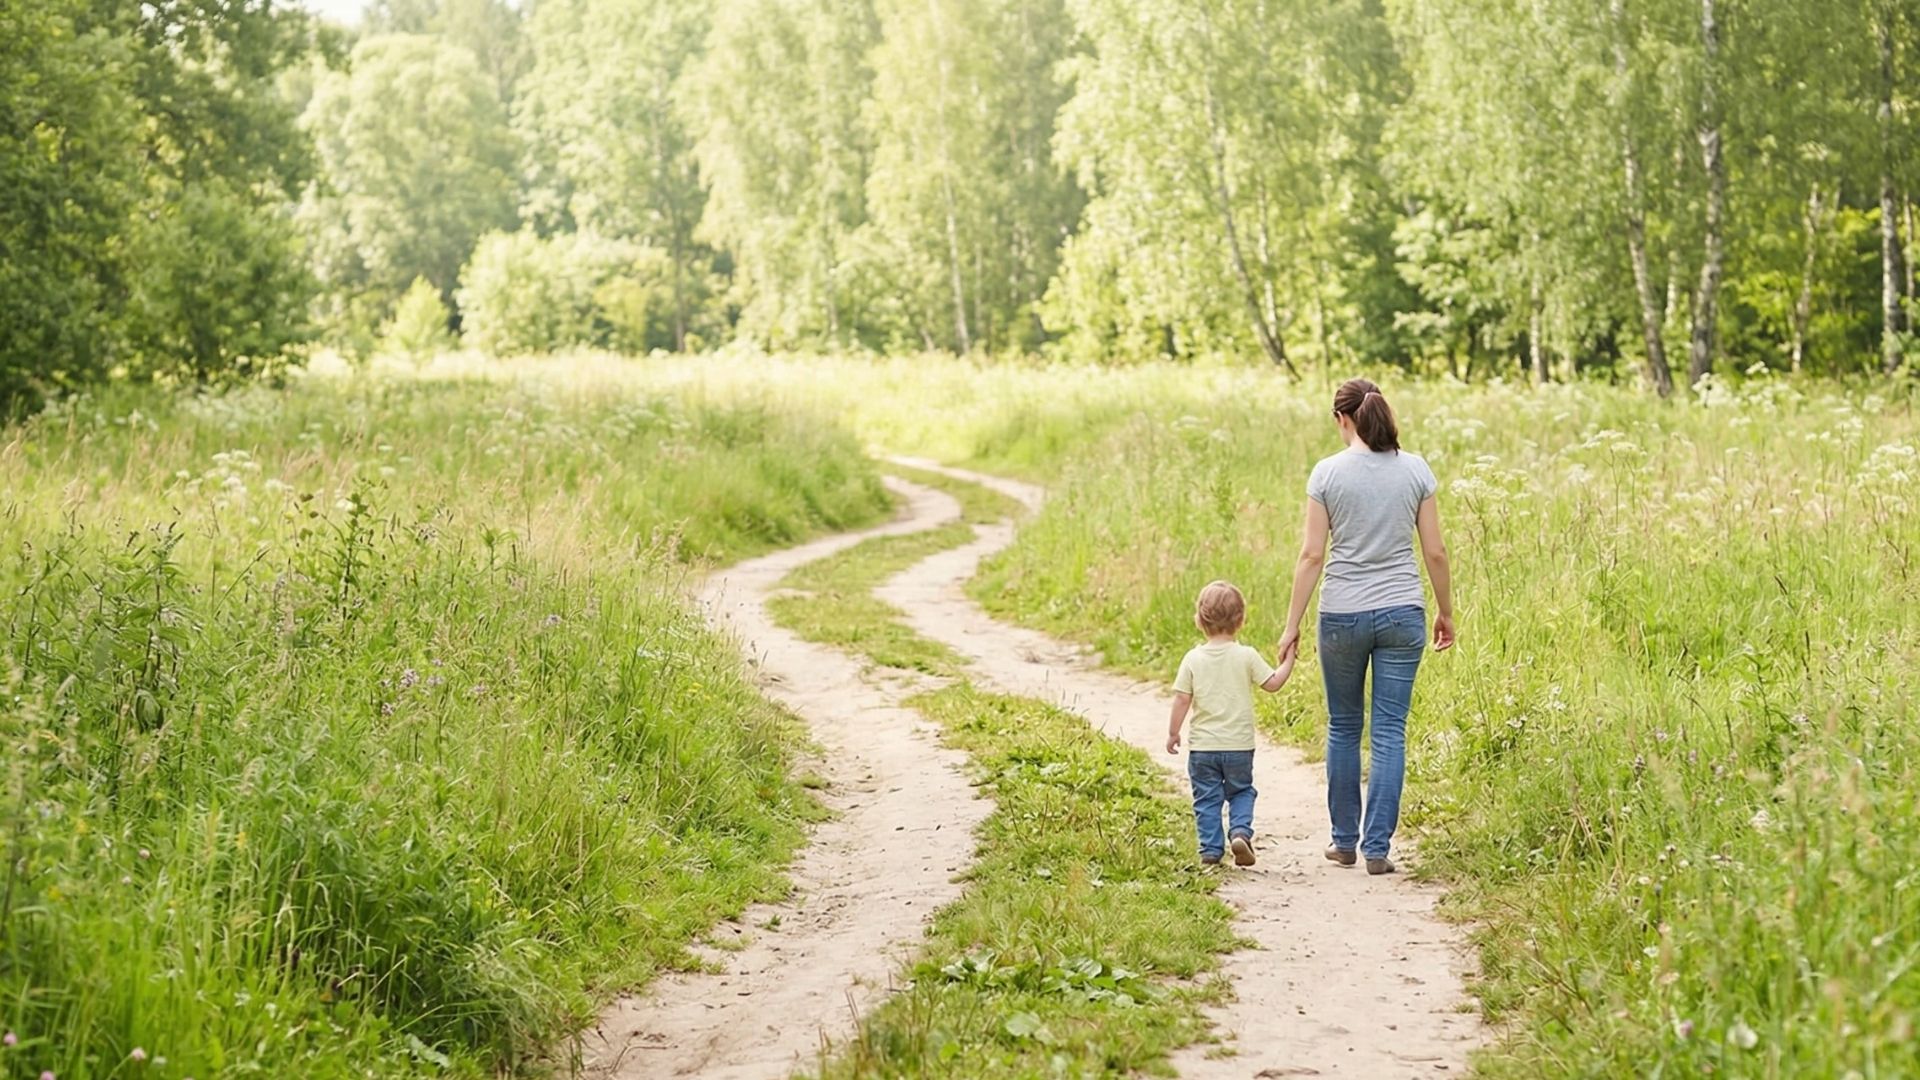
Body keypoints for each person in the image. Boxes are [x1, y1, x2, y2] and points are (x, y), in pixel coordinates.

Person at [1277, 378, 1455, 877]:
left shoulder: (1327, 474)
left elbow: (1312, 554)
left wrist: (1291, 625)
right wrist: (1445, 611)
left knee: (1343, 727)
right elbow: (1435, 551)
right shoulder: (1415, 469)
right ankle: (1378, 848)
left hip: (1342, 615)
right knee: (1390, 731)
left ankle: (1343, 843)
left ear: (1342, 418)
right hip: (1403, 612)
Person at [1166, 580, 1296, 867]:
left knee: (1207, 799)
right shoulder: (1245, 655)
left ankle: (1211, 851)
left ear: (1199, 620)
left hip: (1203, 748)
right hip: (1239, 746)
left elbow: (1181, 700)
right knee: (1241, 791)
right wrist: (1288, 661)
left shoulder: (1192, 659)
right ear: (1241, 620)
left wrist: (1174, 733)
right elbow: (1273, 683)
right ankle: (1239, 831)